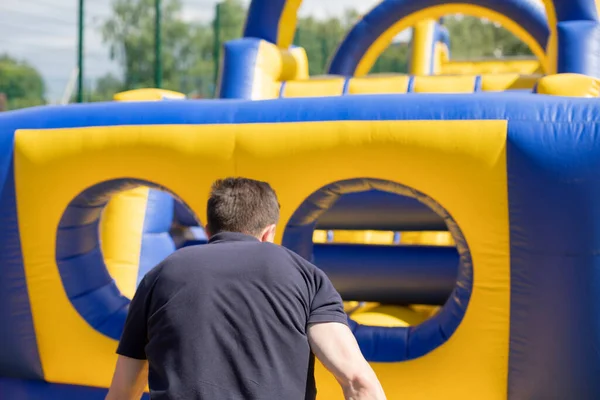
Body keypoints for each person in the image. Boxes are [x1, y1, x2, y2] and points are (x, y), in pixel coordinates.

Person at [106, 177, 386, 400]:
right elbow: (357, 382)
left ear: (208, 231)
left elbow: (123, 392)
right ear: (269, 232)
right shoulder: (306, 276)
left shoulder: (160, 275)